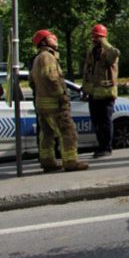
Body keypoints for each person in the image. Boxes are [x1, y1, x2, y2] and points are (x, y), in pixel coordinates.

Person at [30, 29, 88, 172]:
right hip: (55, 105)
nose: (55, 38)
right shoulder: (47, 57)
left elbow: (32, 82)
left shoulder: (38, 58)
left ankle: (47, 161)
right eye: (50, 37)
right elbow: (52, 79)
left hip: (42, 105)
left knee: (47, 134)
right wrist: (61, 95)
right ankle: (71, 161)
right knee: (68, 131)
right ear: (43, 42)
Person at [82, 24, 120, 158]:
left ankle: (106, 148)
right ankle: (101, 146)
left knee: (105, 122)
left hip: (106, 95)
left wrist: (105, 43)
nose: (95, 39)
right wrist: (85, 89)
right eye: (94, 36)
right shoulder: (92, 51)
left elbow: (115, 53)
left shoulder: (108, 52)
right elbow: (87, 72)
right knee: (96, 123)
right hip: (94, 95)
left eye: (98, 37)